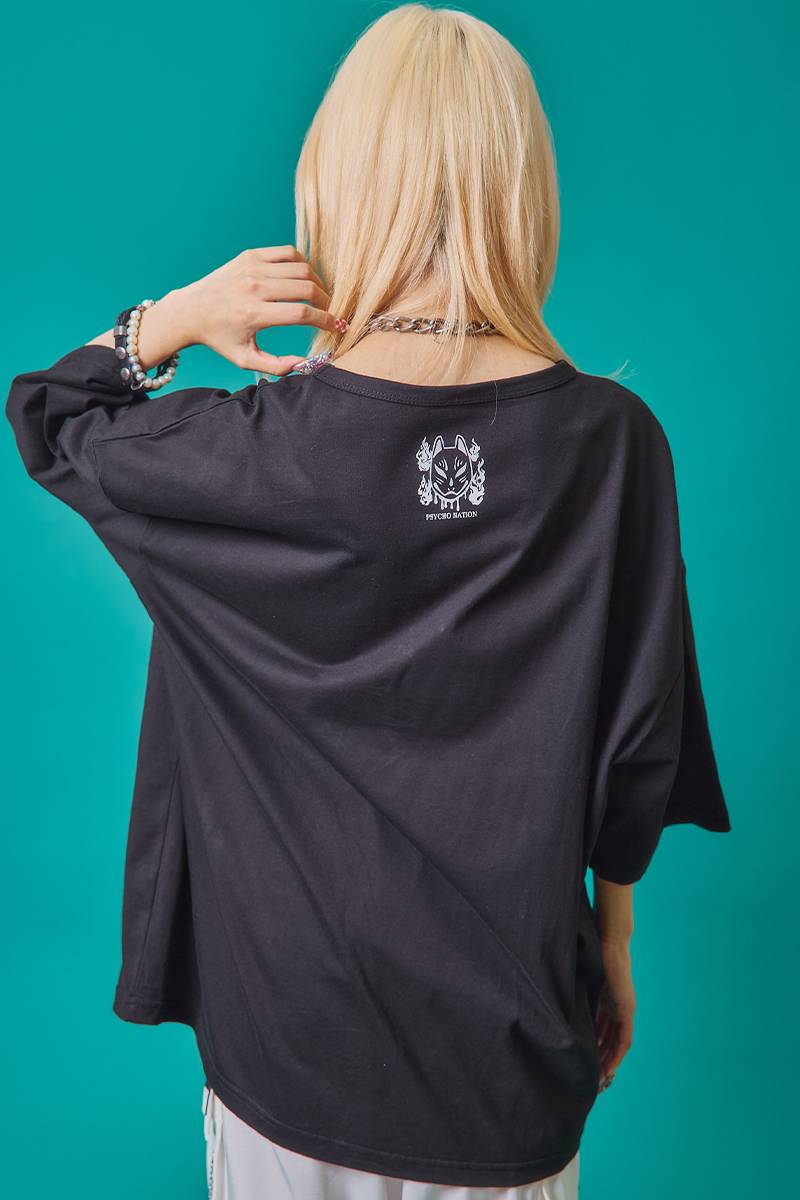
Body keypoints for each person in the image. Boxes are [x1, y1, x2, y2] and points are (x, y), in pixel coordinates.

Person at [4, 4, 731, 1198]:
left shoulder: (248, 451)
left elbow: (52, 413)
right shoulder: (613, 445)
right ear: (520, 190)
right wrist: (613, 939)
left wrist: (169, 320)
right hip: (510, 1049)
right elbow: (634, 743)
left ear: (340, 183)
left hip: (284, 1040)